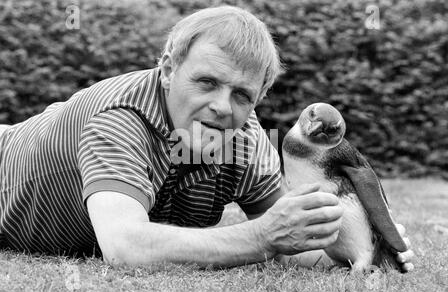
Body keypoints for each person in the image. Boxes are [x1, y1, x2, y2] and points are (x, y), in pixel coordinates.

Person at [0, 6, 413, 271]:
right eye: (207, 82)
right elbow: (125, 246)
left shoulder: (243, 139)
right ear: (167, 70)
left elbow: (292, 238)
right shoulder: (122, 118)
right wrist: (259, 237)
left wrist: (360, 249)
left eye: (241, 95)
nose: (221, 107)